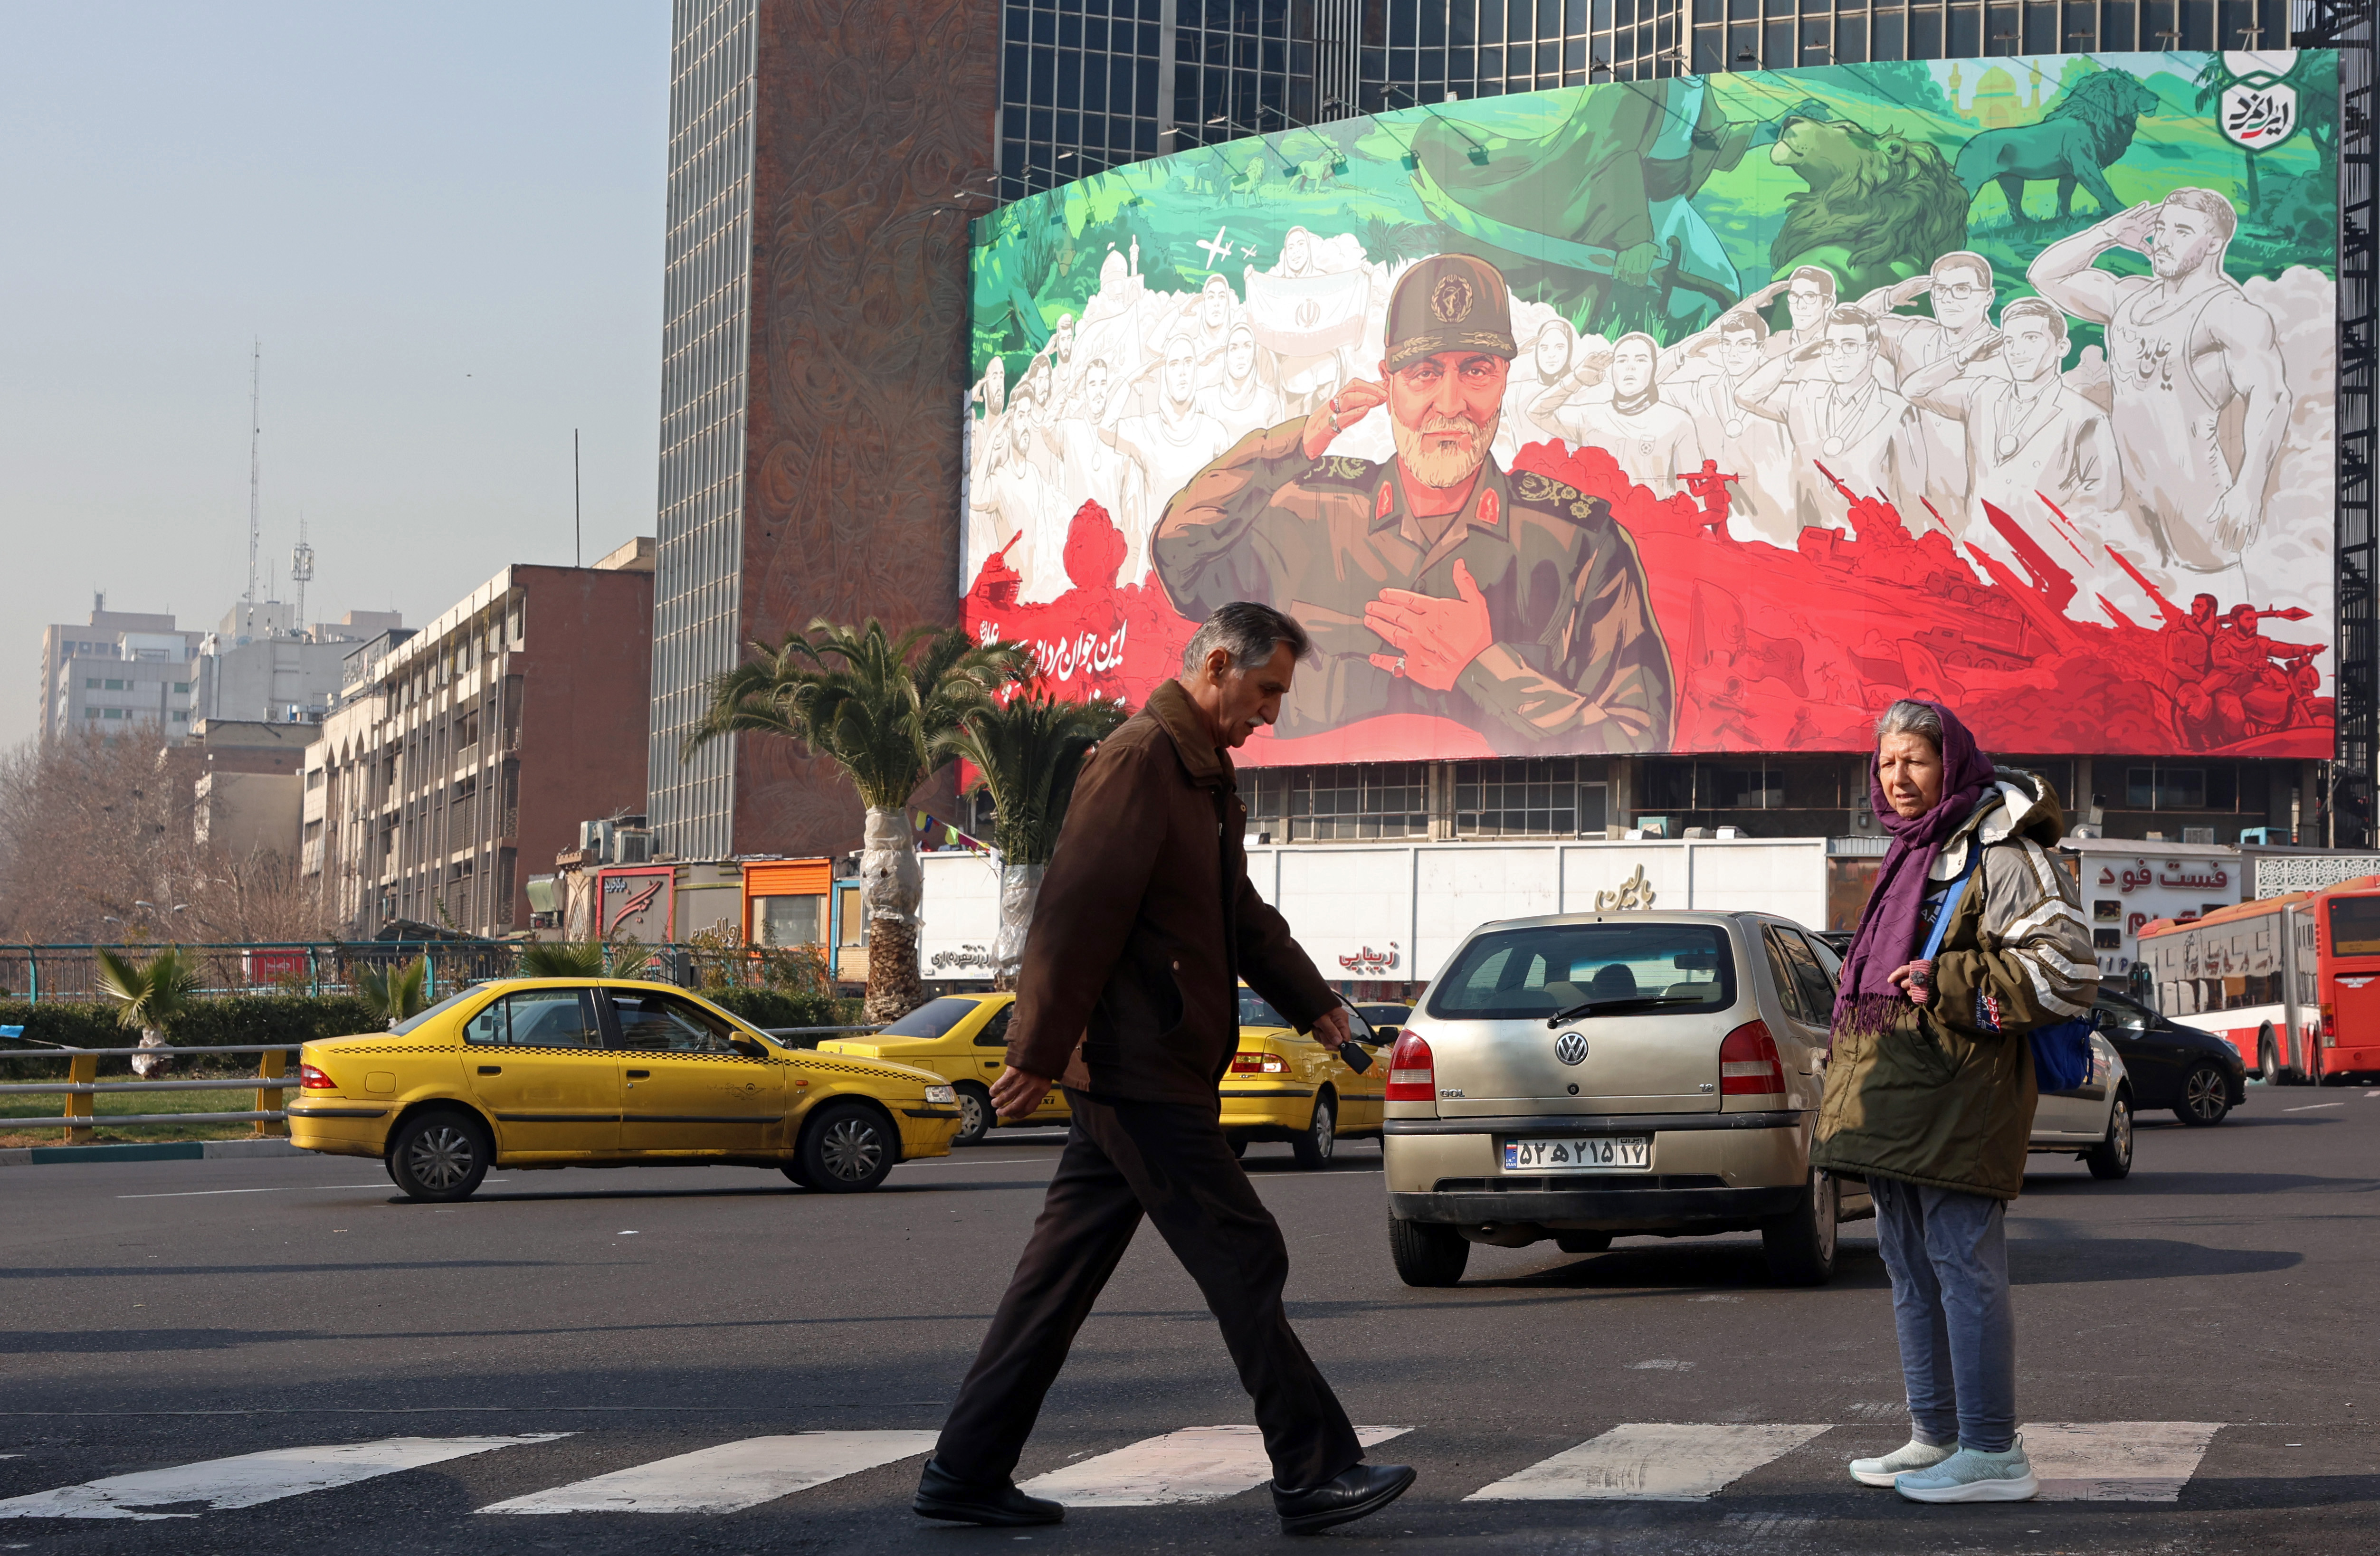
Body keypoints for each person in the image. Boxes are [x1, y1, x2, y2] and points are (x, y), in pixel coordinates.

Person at [915, 603, 1417, 1537]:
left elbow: (1241, 917)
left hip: (1146, 1067)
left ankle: (964, 1470)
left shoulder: (1200, 774)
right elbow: (1075, 910)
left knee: (1057, 1280)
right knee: (1243, 1251)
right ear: (1218, 665)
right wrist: (1035, 1048)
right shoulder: (1141, 761)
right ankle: (1312, 1470)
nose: (1271, 713)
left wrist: (1315, 1002)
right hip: (1136, 1067)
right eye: (1266, 691)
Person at [1153, 252, 1674, 754]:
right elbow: (1178, 558)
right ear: (1388, 382)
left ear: (1504, 379)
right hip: (1318, 812)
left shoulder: (1581, 545)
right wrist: (1294, 446)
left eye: (1476, 371)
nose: (1450, 404)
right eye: (1424, 373)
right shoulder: (1307, 510)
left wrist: (1485, 667)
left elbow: (1640, 740)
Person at [1812, 700, 2096, 1505]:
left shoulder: (2005, 853)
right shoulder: (1910, 852)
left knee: (1965, 1272)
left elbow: (2069, 971)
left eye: (1915, 759)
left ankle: (1993, 1451)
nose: (1898, 777)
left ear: (1953, 763)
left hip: (1965, 1098)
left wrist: (1950, 979)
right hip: (1895, 1097)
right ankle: (1936, 1435)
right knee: (1909, 1270)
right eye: (1886, 762)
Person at [2027, 187, 2292, 574]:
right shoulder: (2127, 297)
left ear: (2214, 243)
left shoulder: (2230, 313)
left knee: (2206, 600)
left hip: (2196, 502)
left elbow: (2272, 398)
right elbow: (2044, 275)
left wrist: (2248, 490)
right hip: (2125, 497)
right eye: (2162, 227)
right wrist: (2107, 233)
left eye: (2182, 231)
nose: (2163, 240)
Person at [1899, 298, 2118, 555]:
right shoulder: (1982, 392)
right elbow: (1912, 390)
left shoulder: (2088, 417)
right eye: (2009, 341)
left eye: (2031, 338)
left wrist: (2050, 540)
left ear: (2062, 347)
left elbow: (2105, 497)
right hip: (1976, 553)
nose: (2017, 351)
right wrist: (1961, 358)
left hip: (2042, 561)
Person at [1736, 304, 1928, 531]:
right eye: (1830, 346)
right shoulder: (1804, 395)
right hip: (1810, 539)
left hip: (1870, 542)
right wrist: (1793, 357)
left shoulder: (1898, 410)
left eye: (1850, 345)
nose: (1838, 356)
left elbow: (1912, 500)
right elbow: (1745, 395)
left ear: (1873, 349)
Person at [1532, 330, 1706, 498]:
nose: (1630, 367)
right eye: (1621, 361)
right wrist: (1576, 379)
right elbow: (1536, 412)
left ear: (1654, 369)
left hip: (1651, 516)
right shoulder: (1589, 417)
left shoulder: (1677, 422)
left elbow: (1692, 492)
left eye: (1641, 360)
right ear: (1611, 369)